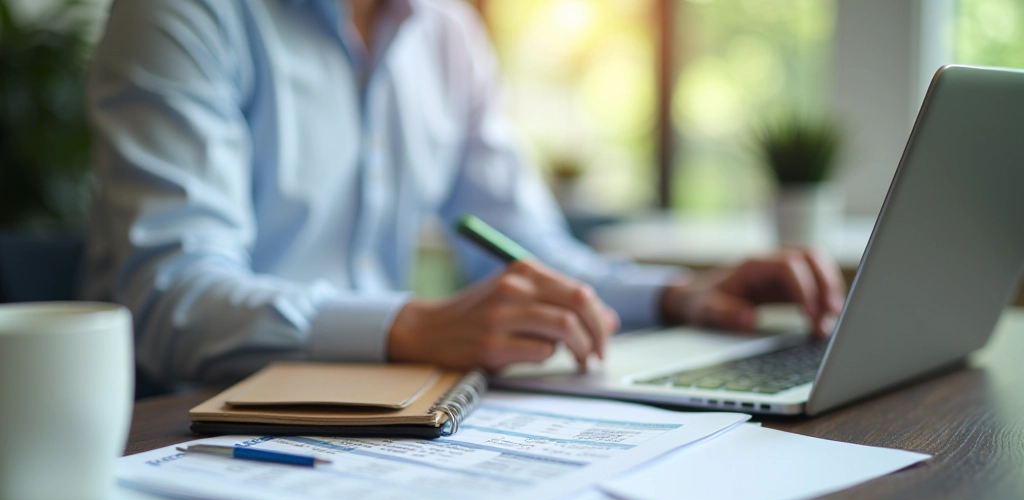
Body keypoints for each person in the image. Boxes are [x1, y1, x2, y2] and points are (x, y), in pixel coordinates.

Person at [81, 0, 844, 385]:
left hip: (381, 419)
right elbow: (173, 299)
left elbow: (530, 253)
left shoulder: (447, 34)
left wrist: (683, 295)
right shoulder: (184, 15)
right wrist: (411, 327)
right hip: (184, 429)